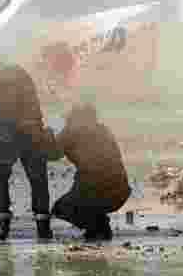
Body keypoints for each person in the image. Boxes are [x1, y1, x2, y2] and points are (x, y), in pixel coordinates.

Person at [0, 54, 63, 240]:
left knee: (0, 178)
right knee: (38, 179)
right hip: (33, 129)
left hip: (8, 133)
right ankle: (43, 227)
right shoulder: (22, 73)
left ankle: (2, 225)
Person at [52, 103, 130, 241]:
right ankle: (98, 224)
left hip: (95, 191)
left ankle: (98, 226)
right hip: (120, 192)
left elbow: (51, 153)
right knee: (86, 201)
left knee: (61, 208)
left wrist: (45, 136)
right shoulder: (103, 130)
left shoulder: (72, 132)